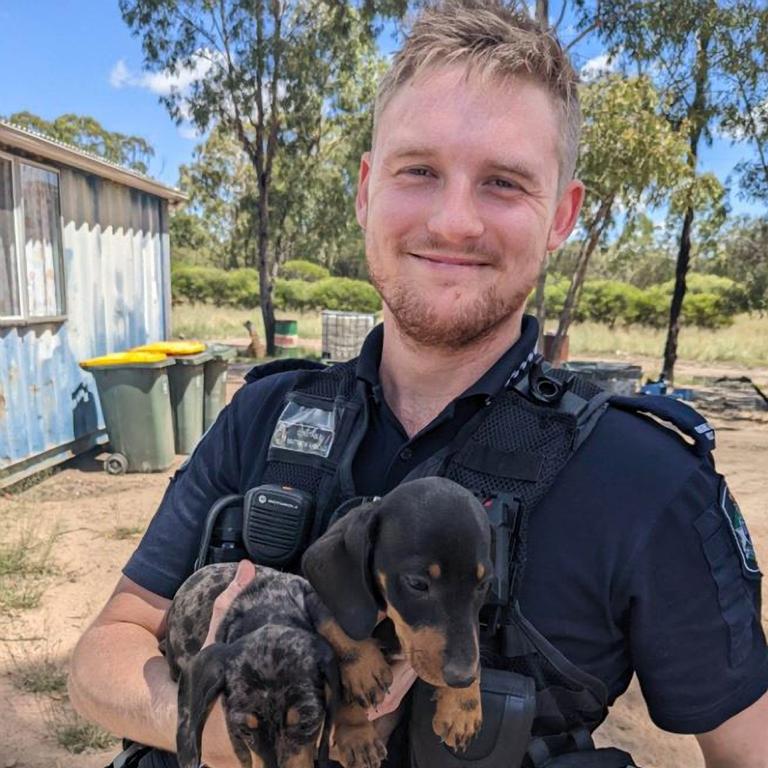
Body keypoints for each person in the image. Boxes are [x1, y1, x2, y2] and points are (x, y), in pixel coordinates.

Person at [68, 2, 768, 766]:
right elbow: (103, 657)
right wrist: (237, 736)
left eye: (503, 182)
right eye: (419, 171)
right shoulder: (264, 416)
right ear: (368, 190)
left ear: (562, 216)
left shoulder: (647, 480)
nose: (454, 220)